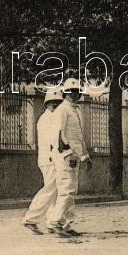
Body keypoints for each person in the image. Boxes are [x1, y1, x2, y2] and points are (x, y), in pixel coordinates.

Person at [48, 78, 92, 237]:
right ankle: (55, 222)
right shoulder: (62, 110)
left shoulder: (76, 111)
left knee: (71, 191)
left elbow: (78, 137)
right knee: (67, 191)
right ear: (64, 93)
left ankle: (66, 225)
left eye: (77, 92)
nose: (74, 94)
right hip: (65, 156)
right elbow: (58, 135)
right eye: (70, 92)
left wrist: (85, 156)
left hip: (75, 156)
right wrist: (68, 154)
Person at [21, 89, 63, 235]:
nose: (56, 106)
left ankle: (51, 222)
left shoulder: (49, 118)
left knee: (54, 191)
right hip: (50, 159)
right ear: (47, 104)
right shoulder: (48, 119)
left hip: (49, 158)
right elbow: (53, 141)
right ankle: (30, 218)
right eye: (53, 103)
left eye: (58, 103)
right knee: (50, 189)